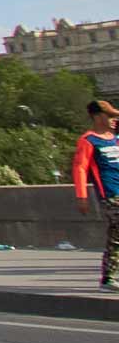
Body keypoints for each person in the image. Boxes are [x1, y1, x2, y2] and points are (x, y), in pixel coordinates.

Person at [69, 98, 119, 291]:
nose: (114, 120)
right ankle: (108, 278)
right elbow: (80, 168)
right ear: (98, 117)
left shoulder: (115, 138)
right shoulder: (89, 140)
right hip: (110, 193)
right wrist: (81, 196)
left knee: (116, 235)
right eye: (110, 116)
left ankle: (108, 277)